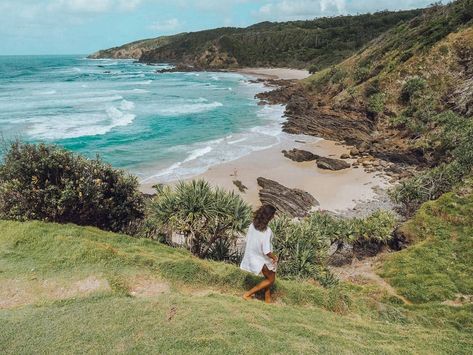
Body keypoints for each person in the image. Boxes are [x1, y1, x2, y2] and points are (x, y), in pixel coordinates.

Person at [240, 204, 278, 303]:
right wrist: (274, 258)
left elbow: (247, 239)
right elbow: (266, 251)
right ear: (269, 216)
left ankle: (267, 298)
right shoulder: (267, 230)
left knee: (269, 276)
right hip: (261, 258)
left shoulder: (252, 225)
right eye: (273, 215)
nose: (274, 217)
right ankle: (247, 294)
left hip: (252, 255)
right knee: (270, 279)